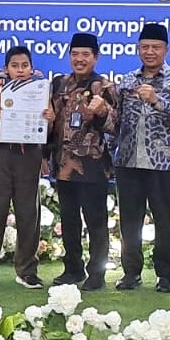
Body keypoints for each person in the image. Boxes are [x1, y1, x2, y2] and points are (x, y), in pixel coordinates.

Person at [114, 23, 170, 293]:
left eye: (155, 47)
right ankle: (131, 273)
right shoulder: (127, 80)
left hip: (164, 164)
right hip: (129, 162)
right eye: (145, 47)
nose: (150, 52)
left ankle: (166, 275)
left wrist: (156, 99)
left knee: (166, 221)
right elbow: (117, 121)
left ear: (166, 50)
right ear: (138, 49)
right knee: (129, 222)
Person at [0, 46, 55, 289]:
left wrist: (49, 119)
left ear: (31, 68)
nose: (20, 70)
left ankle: (27, 271)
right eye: (15, 66)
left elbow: (49, 127)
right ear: (6, 68)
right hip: (1, 153)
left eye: (24, 65)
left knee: (28, 214)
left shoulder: (40, 91)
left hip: (29, 154)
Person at [46, 33, 118, 291]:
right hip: (64, 164)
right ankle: (73, 269)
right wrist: (45, 154)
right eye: (75, 54)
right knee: (69, 220)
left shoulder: (105, 87)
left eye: (85, 54)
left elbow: (116, 127)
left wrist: (103, 112)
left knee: (96, 221)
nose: (80, 59)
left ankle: (97, 273)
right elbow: (52, 124)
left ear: (95, 57)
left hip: (93, 165)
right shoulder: (59, 84)